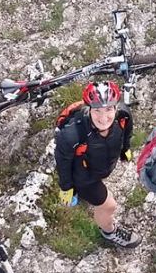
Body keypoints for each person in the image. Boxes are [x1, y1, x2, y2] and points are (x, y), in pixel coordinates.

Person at [55, 81, 141, 249]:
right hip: (85, 178)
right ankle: (109, 231)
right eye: (97, 111)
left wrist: (125, 148)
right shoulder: (73, 134)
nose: (103, 118)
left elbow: (127, 131)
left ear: (116, 107)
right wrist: (66, 187)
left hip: (102, 165)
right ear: (89, 109)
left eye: (109, 109)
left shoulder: (123, 115)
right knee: (109, 206)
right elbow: (62, 160)